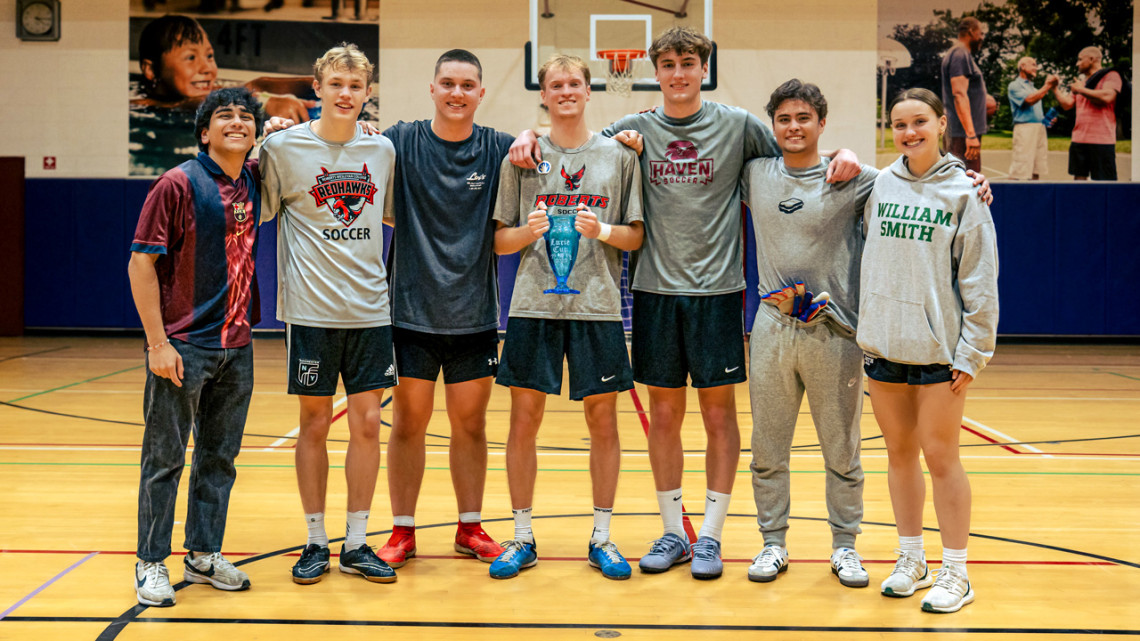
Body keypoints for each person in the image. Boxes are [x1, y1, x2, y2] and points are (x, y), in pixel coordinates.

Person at [511, 27, 860, 581]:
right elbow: (572, 138)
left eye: (687, 62)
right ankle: (675, 530)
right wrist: (527, 136)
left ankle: (713, 537)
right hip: (653, 291)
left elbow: (798, 152)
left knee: (719, 416)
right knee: (665, 417)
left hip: (718, 292)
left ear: (704, 68)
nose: (678, 73)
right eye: (668, 63)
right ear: (655, 71)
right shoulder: (632, 128)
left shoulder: (740, 125)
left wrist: (845, 152)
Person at [743, 80, 992, 589]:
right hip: (790, 331)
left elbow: (972, 263)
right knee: (772, 446)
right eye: (784, 119)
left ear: (822, 123)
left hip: (843, 332)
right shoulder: (759, 174)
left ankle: (849, 548)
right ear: (773, 125)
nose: (794, 127)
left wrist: (974, 182)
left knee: (847, 450)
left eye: (804, 118)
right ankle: (776, 543)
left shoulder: (868, 181)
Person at [487, 54, 644, 581]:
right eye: (557, 84)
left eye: (574, 82)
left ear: (589, 90)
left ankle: (602, 535)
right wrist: (527, 233)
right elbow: (499, 242)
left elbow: (635, 235)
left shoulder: (619, 157)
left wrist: (602, 231)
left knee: (603, 422)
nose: (566, 91)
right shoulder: (523, 157)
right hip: (533, 306)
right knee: (523, 421)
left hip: (597, 308)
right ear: (545, 94)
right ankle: (523, 535)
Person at [259, 43, 398, 585]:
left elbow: (393, 219)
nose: (346, 94)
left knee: (367, 424)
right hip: (311, 313)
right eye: (336, 84)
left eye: (356, 86)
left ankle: (358, 542)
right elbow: (255, 210)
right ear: (317, 88)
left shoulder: (382, 152)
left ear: (367, 94)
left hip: (370, 311)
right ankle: (316, 540)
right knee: (313, 423)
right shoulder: (283, 148)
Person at [374, 49, 514, 568]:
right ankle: (403, 531)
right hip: (410, 312)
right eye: (448, 83)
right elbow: (341, 144)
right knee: (409, 421)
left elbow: (560, 149)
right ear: (432, 89)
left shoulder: (500, 147)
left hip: (474, 313)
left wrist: (531, 135)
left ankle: (470, 527)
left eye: (467, 85)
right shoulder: (400, 141)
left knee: (470, 425)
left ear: (480, 93)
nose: (457, 93)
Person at [861, 88, 998, 613]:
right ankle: (912, 558)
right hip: (884, 346)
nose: (909, 132)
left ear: (943, 124)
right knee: (899, 457)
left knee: (942, 458)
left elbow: (981, 280)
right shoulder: (880, 184)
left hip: (940, 353)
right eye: (898, 124)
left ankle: (957, 572)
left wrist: (972, 352)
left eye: (919, 121)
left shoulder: (966, 192)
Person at [128, 87, 263, 607]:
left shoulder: (253, 179)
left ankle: (203, 553)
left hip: (238, 345)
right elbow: (141, 264)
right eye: (224, 116)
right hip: (184, 345)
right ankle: (151, 562)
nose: (237, 122)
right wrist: (157, 343)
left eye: (245, 117)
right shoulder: (177, 184)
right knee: (165, 457)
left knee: (219, 458)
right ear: (204, 132)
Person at [136, 14, 314, 121]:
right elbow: (188, 105)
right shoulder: (140, 105)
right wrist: (261, 102)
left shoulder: (206, 91)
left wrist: (318, 82)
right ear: (151, 70)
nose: (207, 68)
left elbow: (257, 85)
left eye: (209, 56)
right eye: (191, 57)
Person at [1049, 46, 1123, 181]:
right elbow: (1067, 105)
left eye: (1080, 59)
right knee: (1079, 182)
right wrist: (1054, 89)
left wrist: (1081, 90)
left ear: (1091, 59)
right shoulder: (1081, 84)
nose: (1077, 63)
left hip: (1102, 140)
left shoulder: (1111, 75)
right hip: (1079, 139)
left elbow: (1108, 97)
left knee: (1104, 184)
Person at [940, 17, 987, 173]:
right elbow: (959, 94)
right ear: (971, 32)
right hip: (962, 135)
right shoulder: (960, 53)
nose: (982, 38)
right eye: (980, 33)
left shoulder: (960, 54)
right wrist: (971, 135)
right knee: (965, 182)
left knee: (966, 183)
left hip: (962, 133)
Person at [1007, 57, 1058, 180]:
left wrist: (1046, 119)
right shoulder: (1014, 85)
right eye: (1033, 65)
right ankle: (1013, 196)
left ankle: (1034, 196)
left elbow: (1034, 106)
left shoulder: (1035, 89)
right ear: (1023, 66)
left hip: (1039, 128)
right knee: (1020, 168)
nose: (1036, 68)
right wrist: (1047, 86)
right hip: (1024, 129)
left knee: (1037, 168)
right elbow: (1029, 100)